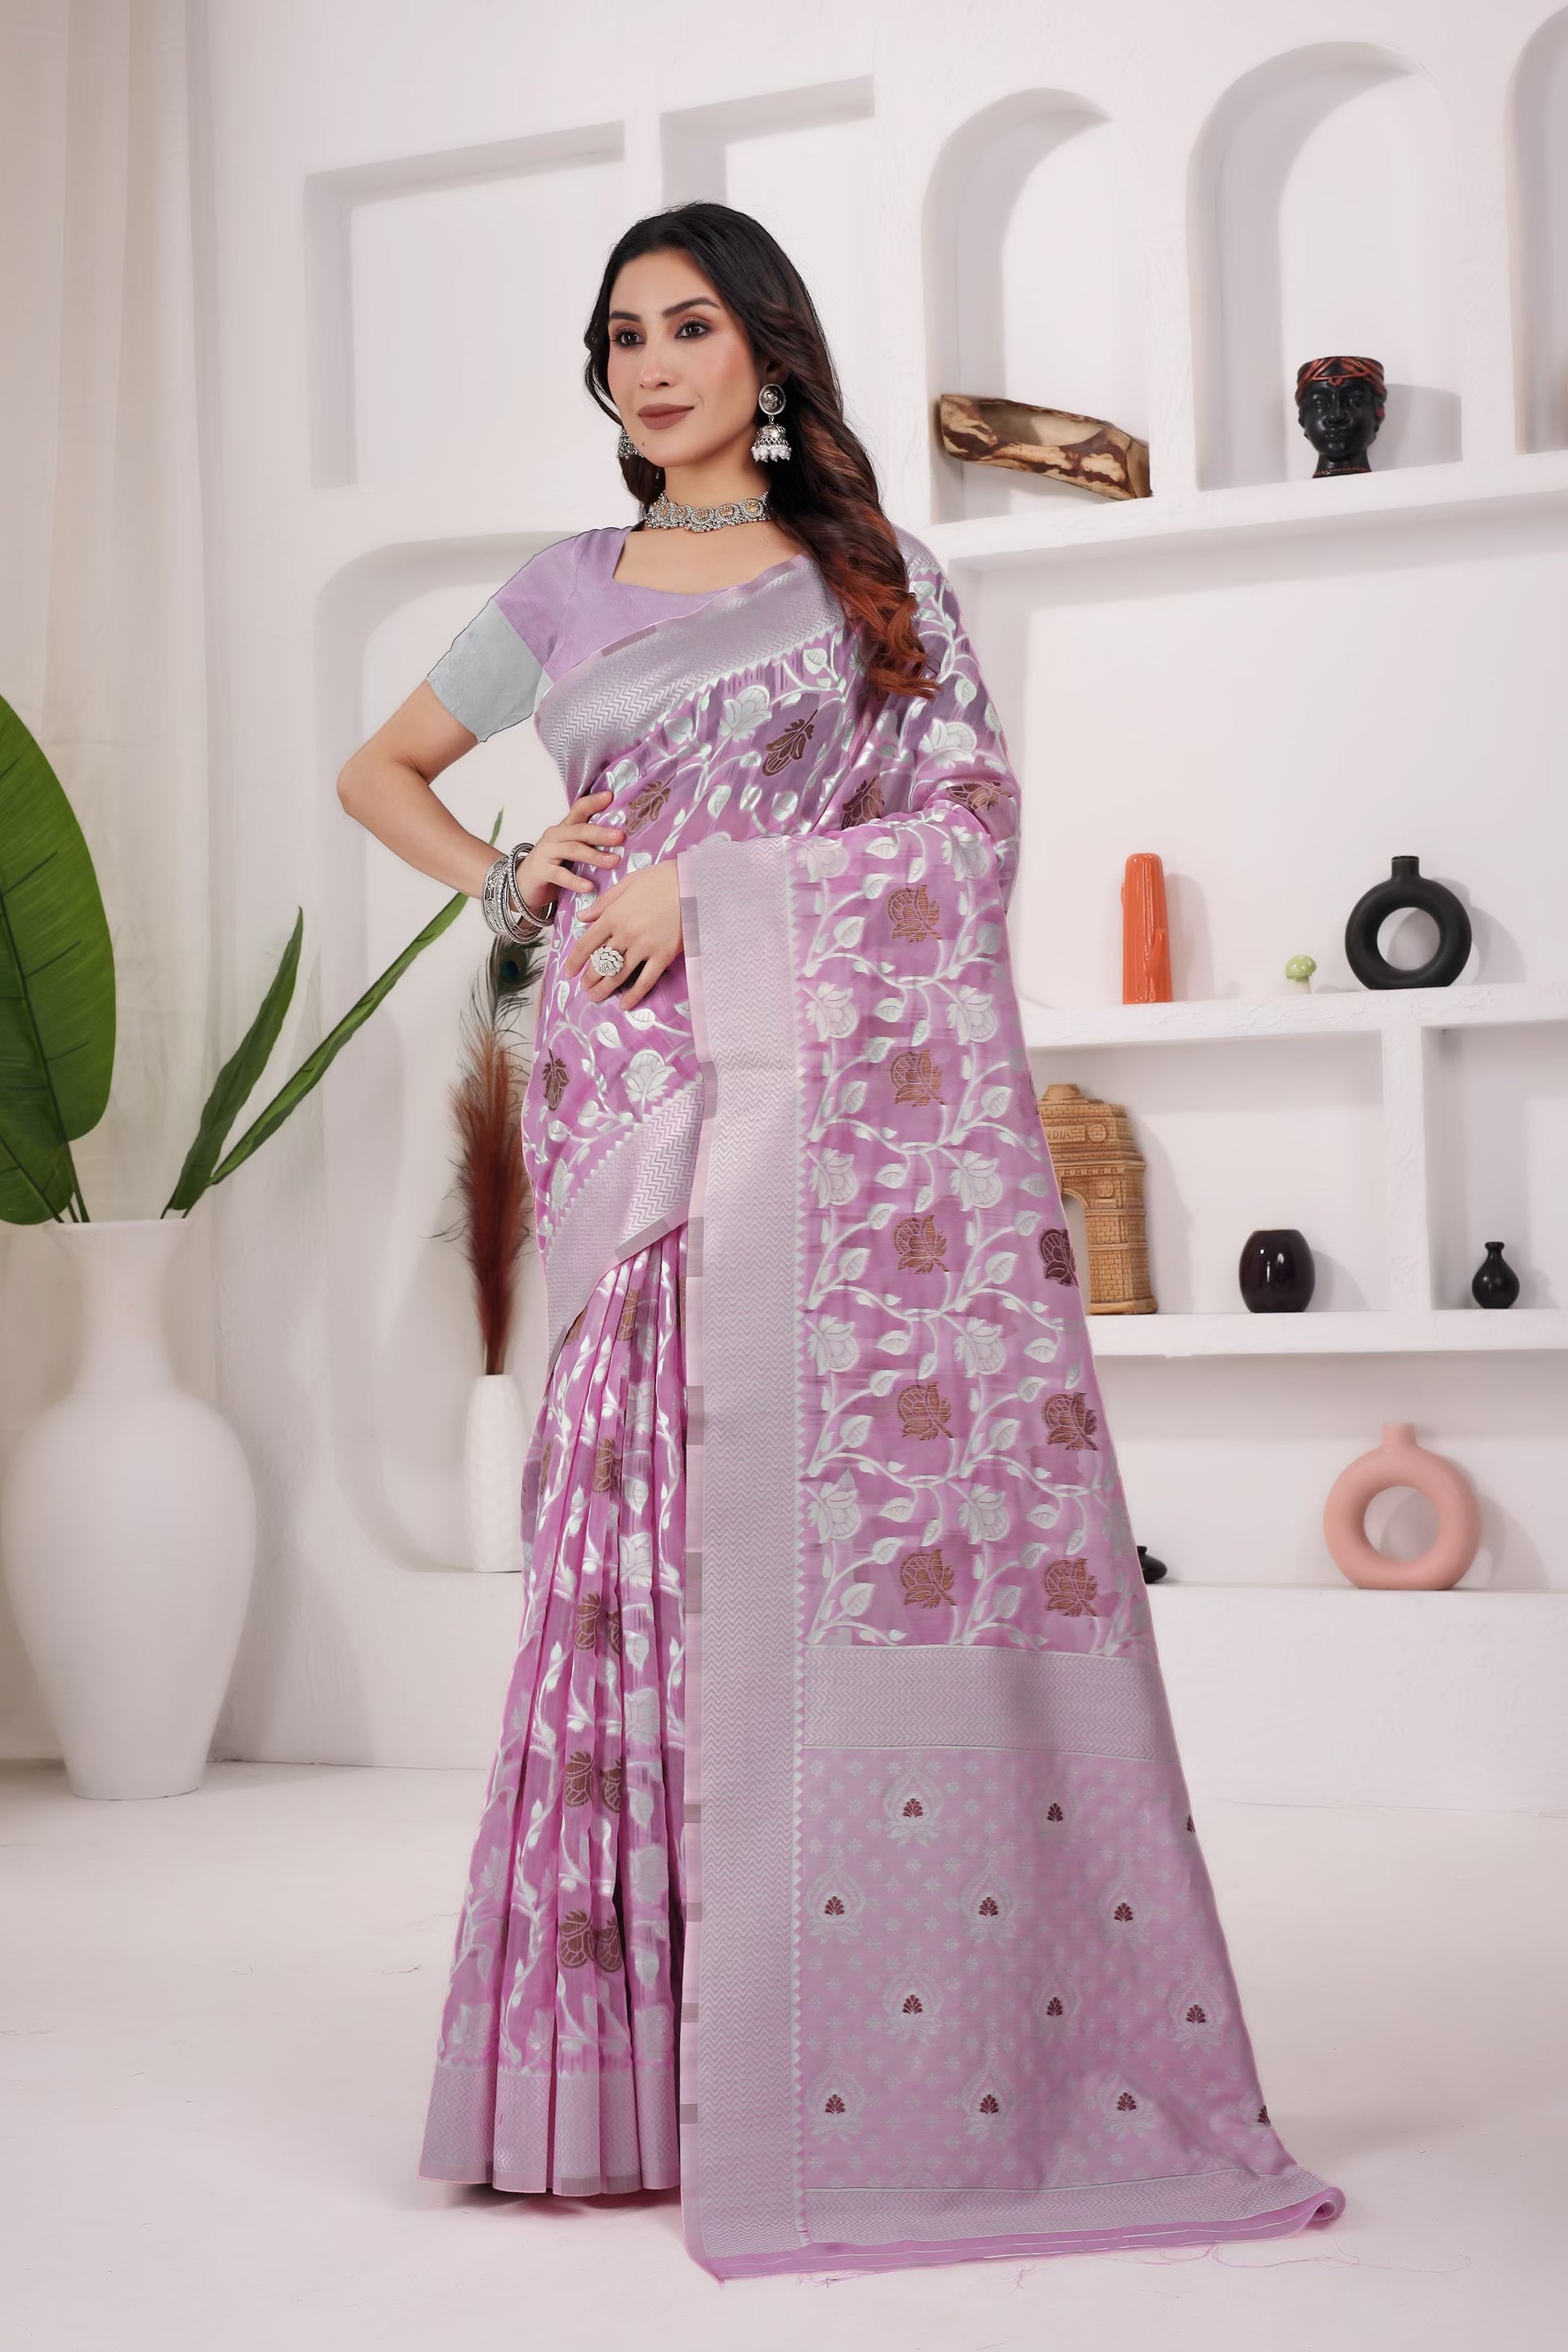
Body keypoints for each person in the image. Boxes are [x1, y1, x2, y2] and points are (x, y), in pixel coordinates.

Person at [336, 200, 1345, 2283]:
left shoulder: (869, 575)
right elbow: (385, 770)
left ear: (769, 354)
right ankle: (621, 2069)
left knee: (794, 1523)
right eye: (622, 337)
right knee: (632, 1532)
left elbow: (965, 834)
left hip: (819, 1109)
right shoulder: (560, 588)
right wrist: (517, 879)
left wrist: (711, 895)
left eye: (689, 327)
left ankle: (836, 2043)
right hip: (630, 1097)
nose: (650, 366)